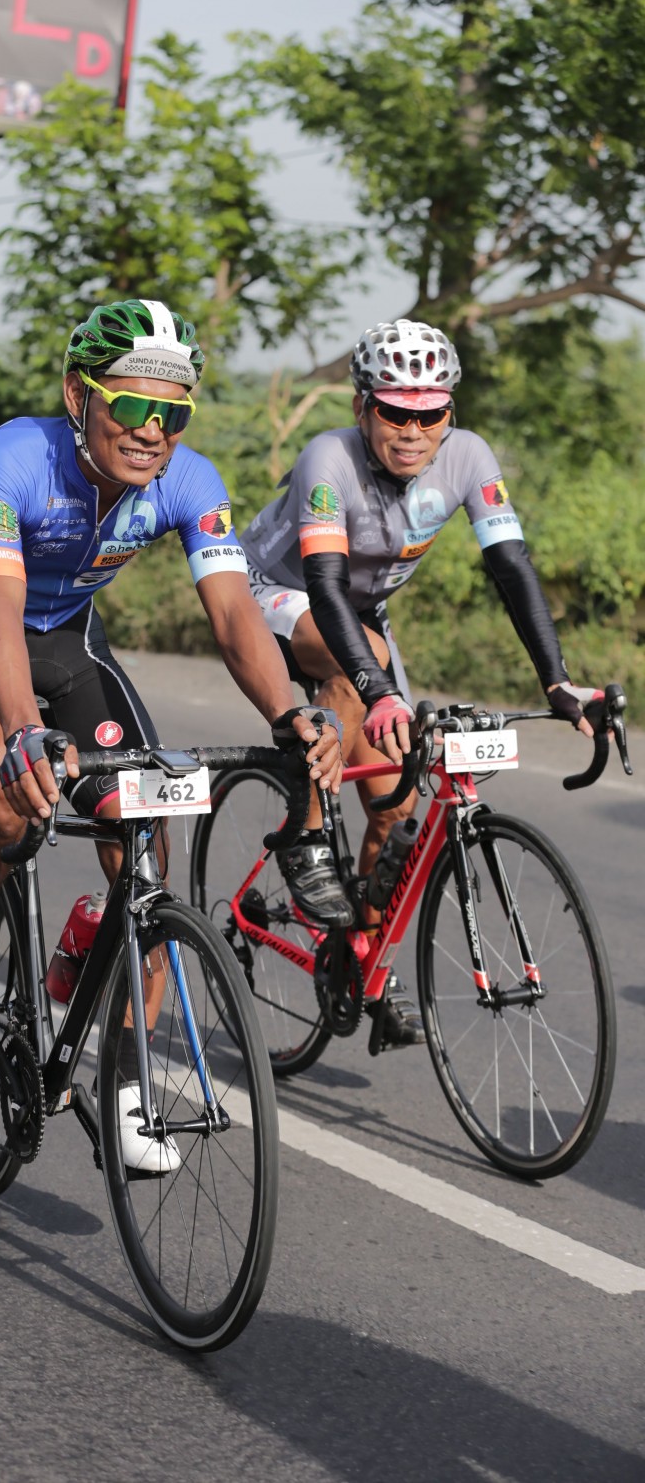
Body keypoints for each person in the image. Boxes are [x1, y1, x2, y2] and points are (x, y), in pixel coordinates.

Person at [0, 297, 344, 1170]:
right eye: (135, 406)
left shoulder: (191, 482)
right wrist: (24, 734)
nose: (153, 431)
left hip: (70, 640)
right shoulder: (11, 460)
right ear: (80, 396)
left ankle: (132, 1085)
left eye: (173, 414)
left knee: (145, 843)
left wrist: (288, 714)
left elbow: (235, 614)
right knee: (7, 792)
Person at [241, 317, 605, 1046]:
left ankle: (359, 959)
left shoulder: (468, 457)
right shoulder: (328, 457)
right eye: (394, 412)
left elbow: (512, 568)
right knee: (364, 668)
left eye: (430, 414)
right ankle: (304, 838)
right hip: (273, 593)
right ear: (362, 407)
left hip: (359, 617)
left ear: (449, 414)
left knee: (397, 808)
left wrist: (558, 683)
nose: (413, 431)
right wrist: (379, 689)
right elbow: (325, 584)